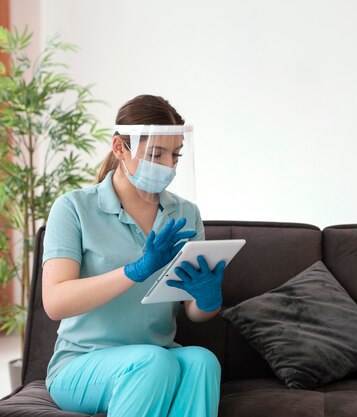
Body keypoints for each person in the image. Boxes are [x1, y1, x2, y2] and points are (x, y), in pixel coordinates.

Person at [42, 94, 222, 417]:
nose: (168, 166)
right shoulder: (73, 208)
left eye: (175, 156)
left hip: (158, 355)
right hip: (81, 364)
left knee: (202, 362)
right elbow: (55, 302)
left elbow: (192, 311)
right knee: (153, 363)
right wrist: (135, 271)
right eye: (156, 154)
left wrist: (207, 299)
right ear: (119, 148)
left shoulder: (185, 213)